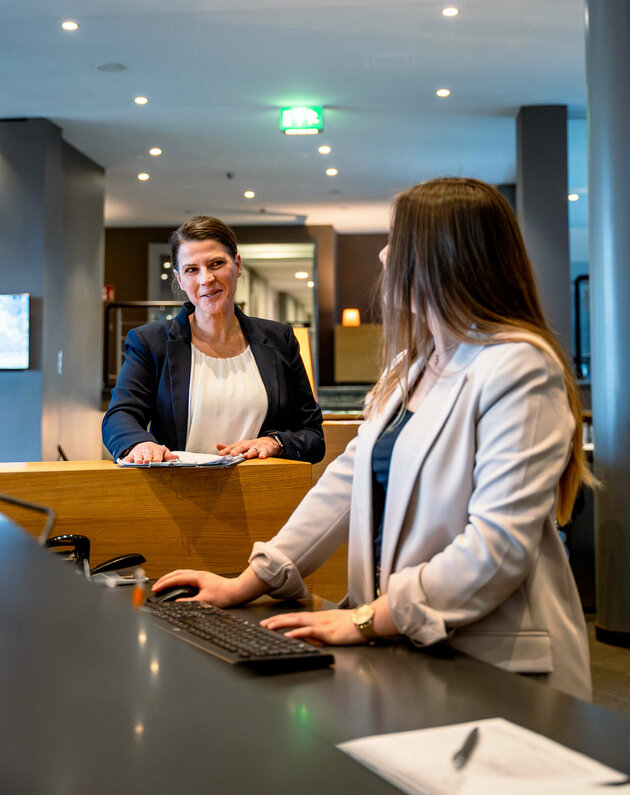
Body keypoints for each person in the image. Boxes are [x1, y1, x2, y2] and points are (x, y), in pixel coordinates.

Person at [153, 179, 593, 700]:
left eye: (396, 239)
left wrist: (370, 619)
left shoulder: (518, 366)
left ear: (444, 256)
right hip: (407, 648)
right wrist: (250, 580)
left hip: (493, 664)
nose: (384, 254)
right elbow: (345, 485)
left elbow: (497, 550)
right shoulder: (412, 367)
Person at [102, 216, 324, 464]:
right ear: (179, 279)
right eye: (191, 269)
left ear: (237, 265)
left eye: (216, 263)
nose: (206, 279)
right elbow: (120, 416)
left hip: (262, 493)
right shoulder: (150, 342)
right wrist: (139, 443)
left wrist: (275, 442)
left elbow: (313, 435)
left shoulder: (280, 340)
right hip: (177, 494)